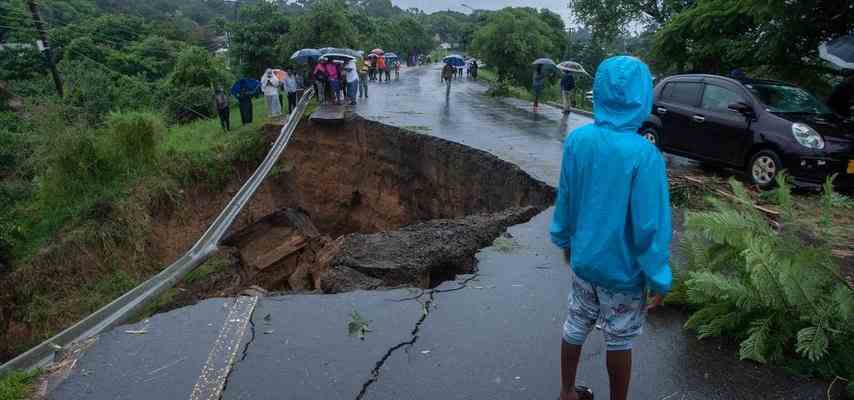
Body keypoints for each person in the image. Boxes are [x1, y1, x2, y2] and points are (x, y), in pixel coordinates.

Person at [550, 56, 671, 400]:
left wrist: (564, 241)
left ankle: (566, 391)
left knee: (575, 323)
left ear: (599, 91)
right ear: (643, 95)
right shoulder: (644, 155)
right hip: (623, 272)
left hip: (584, 262)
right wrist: (658, 275)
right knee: (619, 337)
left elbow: (567, 198)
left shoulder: (578, 141)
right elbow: (650, 225)